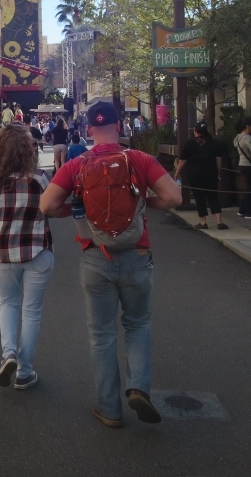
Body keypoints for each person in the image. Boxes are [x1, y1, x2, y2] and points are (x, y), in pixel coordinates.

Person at [41, 101, 182, 428]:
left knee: (102, 334)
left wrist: (80, 213)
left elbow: (48, 205)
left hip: (95, 257)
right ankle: (139, 388)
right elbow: (174, 198)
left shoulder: (77, 165)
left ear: (89, 130)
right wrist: (145, 204)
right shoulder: (139, 160)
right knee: (137, 324)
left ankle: (109, 408)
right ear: (120, 127)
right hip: (136, 253)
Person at [0, 123, 54, 391]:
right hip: (38, 249)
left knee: (8, 303)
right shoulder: (40, 178)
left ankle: (8, 354)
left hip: (2, 251)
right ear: (27, 149)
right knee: (31, 311)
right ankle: (24, 371)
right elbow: (50, 208)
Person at [174, 122, 227, 230]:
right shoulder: (213, 143)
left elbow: (183, 160)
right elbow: (218, 160)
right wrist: (219, 172)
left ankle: (203, 222)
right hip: (211, 174)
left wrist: (177, 172)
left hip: (195, 175)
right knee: (213, 197)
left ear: (196, 131)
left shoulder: (190, 143)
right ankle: (219, 222)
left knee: (199, 197)